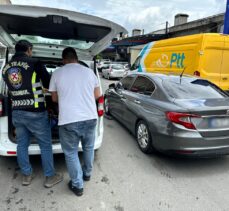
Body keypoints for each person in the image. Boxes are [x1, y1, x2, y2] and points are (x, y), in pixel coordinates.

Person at [2, 40, 63, 187]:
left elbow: (16, 87)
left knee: (22, 144)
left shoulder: (5, 68)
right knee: (45, 145)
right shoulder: (34, 62)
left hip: (17, 111)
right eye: (31, 50)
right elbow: (49, 83)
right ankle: (50, 177)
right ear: (29, 49)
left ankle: (26, 176)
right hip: (35, 112)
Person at [49, 47, 101, 196]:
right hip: (90, 117)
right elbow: (97, 95)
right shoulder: (89, 72)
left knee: (71, 153)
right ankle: (87, 174)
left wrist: (66, 96)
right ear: (76, 58)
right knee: (88, 148)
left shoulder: (57, 73)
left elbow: (53, 98)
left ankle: (77, 185)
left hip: (68, 120)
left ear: (64, 59)